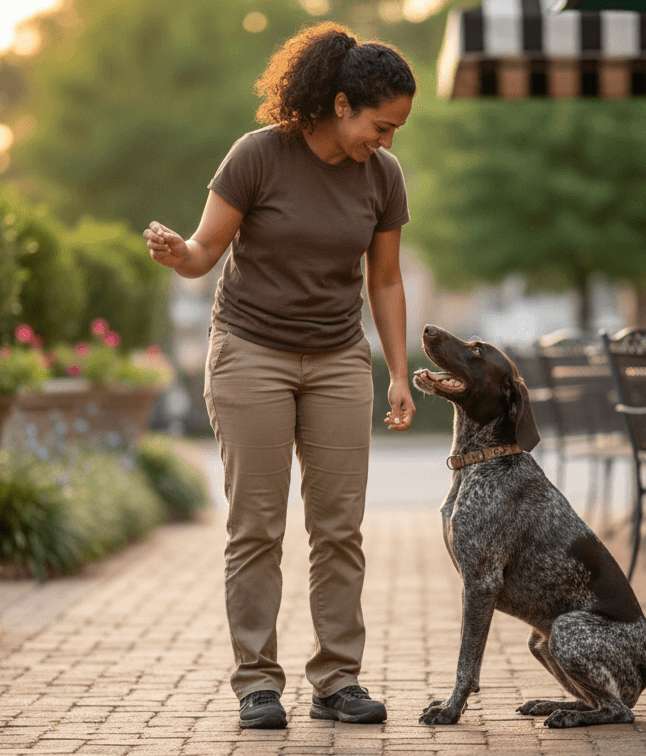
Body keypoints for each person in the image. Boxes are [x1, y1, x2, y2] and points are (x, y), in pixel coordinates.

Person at [143, 22, 417, 730]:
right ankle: (258, 684)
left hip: (335, 358)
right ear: (340, 105)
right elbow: (207, 251)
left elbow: (384, 281)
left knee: (339, 529)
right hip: (251, 352)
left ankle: (336, 681)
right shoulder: (258, 157)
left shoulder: (383, 177)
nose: (386, 143)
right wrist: (179, 253)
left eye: (394, 132)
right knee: (257, 527)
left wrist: (397, 372)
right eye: (380, 127)